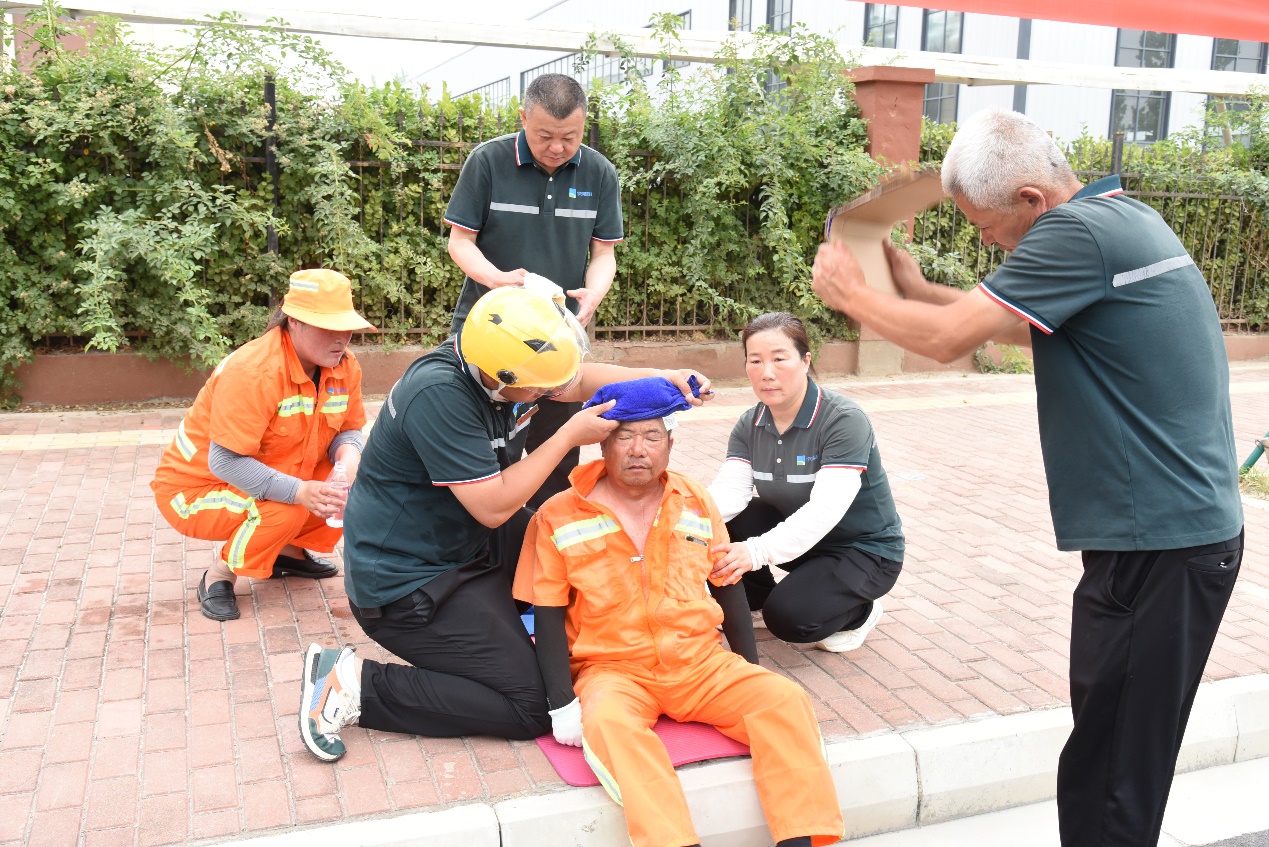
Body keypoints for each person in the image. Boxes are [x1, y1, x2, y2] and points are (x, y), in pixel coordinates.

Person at [811, 109, 1243, 847]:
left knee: (1110, 772)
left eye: (986, 227)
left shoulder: (1073, 233)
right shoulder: (1123, 218)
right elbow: (1022, 324)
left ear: (1031, 200)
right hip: (1173, 539)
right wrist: (918, 291)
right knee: (1117, 755)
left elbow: (947, 343)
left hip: (1158, 544)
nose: (988, 242)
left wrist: (852, 294)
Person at [298, 288, 713, 763]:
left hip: (465, 542)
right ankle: (352, 683)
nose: (550, 394)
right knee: (531, 705)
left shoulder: (500, 359)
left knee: (575, 549)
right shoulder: (439, 394)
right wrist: (567, 436)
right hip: (408, 583)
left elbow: (576, 380)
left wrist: (664, 376)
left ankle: (620, 651)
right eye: (539, 390)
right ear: (500, 378)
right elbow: (493, 506)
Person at [513, 380, 845, 847]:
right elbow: (547, 613)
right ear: (602, 445)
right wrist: (562, 702)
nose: (638, 450)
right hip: (612, 671)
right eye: (624, 437)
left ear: (670, 444)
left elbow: (726, 583)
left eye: (652, 436)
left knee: (783, 701)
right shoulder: (557, 514)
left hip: (699, 663)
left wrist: (748, 667)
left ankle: (801, 840)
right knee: (610, 726)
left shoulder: (694, 499)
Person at [444, 72, 623, 509]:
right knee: (481, 448)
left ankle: (548, 535)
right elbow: (460, 242)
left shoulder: (600, 172)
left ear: (583, 125)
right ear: (523, 118)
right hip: (487, 331)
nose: (558, 147)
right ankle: (481, 536)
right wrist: (496, 279)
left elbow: (604, 253)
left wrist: (594, 293)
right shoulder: (488, 162)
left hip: (558, 338)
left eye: (570, 137)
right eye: (545, 135)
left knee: (557, 452)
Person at [151, 269, 372, 622]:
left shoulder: (344, 365)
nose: (341, 338)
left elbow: (348, 431)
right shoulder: (254, 370)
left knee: (349, 485)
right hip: (195, 490)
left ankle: (288, 553)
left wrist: (347, 463)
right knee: (289, 507)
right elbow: (225, 462)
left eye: (346, 327)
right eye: (329, 327)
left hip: (260, 473)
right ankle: (219, 575)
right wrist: (300, 491)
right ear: (294, 321)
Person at [707, 312, 904, 653]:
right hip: (807, 542)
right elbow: (728, 494)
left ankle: (860, 612)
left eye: (779, 359)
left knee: (790, 619)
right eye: (755, 360)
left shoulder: (843, 420)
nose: (767, 373)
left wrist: (756, 552)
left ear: (805, 360)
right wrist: (679, 523)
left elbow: (825, 509)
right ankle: (758, 599)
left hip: (863, 551)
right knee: (722, 520)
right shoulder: (750, 424)